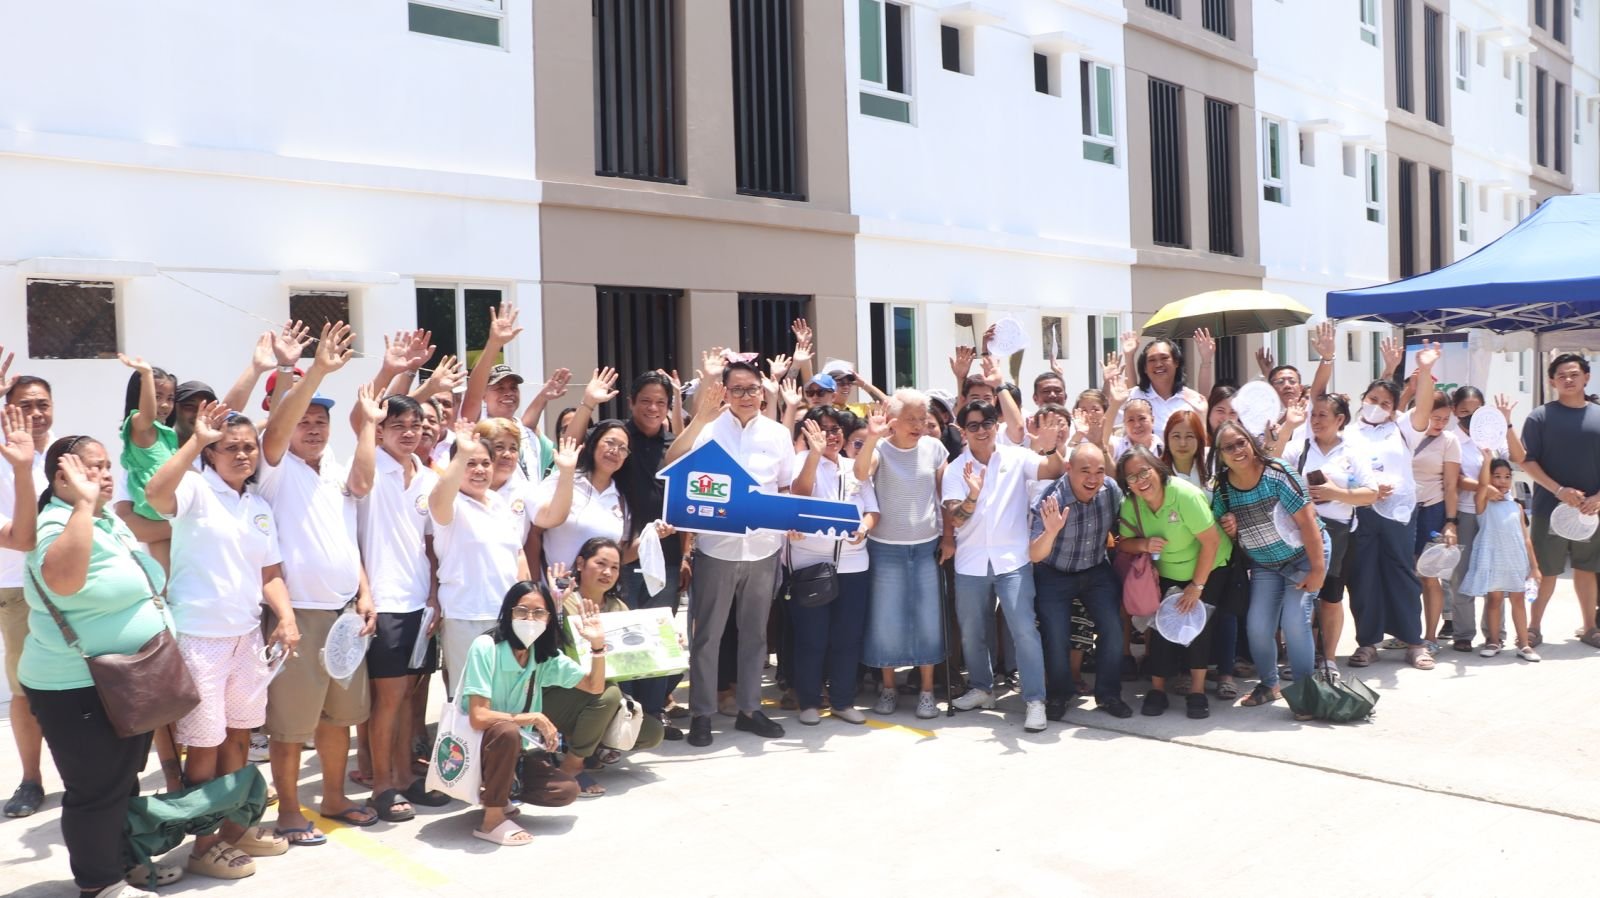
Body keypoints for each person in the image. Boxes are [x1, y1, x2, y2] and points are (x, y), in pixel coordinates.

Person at [20, 436, 185, 897]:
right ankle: (101, 885)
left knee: (121, 780)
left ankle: (122, 862)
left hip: (127, 677)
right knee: (95, 789)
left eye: (109, 465)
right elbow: (64, 583)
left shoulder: (105, 518)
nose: (106, 474)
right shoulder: (56, 522)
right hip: (75, 685)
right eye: (93, 468)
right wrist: (83, 506)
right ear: (62, 478)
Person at [145, 402, 298, 876]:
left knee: (239, 736)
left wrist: (286, 618)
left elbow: (269, 572)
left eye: (249, 447)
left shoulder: (257, 506)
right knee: (204, 746)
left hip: (246, 637)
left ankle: (234, 832)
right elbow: (153, 494)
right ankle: (203, 844)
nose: (242, 454)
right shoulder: (194, 489)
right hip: (200, 638)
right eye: (230, 447)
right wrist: (194, 439)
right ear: (211, 455)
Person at [254, 324, 383, 844]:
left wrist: (364, 593)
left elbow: (347, 537)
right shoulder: (275, 467)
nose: (313, 427)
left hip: (345, 613)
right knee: (289, 727)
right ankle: (289, 810)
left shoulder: (332, 467)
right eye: (304, 419)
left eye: (321, 421)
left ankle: (332, 798)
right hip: (299, 614)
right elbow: (276, 431)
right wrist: (314, 371)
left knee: (339, 718)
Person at [665, 353, 795, 745]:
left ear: (762, 392)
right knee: (708, 636)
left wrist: (788, 521)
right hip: (716, 549)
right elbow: (672, 461)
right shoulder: (706, 428)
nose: (745, 396)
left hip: (763, 549)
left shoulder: (777, 434)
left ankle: (750, 709)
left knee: (755, 635)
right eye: (736, 389)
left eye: (752, 389)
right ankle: (702, 713)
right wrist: (700, 418)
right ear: (724, 391)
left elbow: (785, 487)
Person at [942, 400, 1064, 733]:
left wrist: (1052, 446)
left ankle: (1035, 699)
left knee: (1023, 629)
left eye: (987, 423)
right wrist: (972, 495)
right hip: (970, 563)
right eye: (973, 426)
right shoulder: (956, 469)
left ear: (996, 425)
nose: (981, 430)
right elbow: (955, 518)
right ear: (963, 431)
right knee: (971, 632)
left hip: (1013, 560)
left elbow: (1053, 470)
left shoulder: (1017, 456)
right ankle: (982, 689)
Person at [459, 580, 601, 847]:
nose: (530, 619)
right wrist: (533, 718)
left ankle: (500, 795)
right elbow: (478, 716)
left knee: (566, 790)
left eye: (539, 613)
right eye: (522, 611)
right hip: (475, 749)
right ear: (508, 613)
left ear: (549, 618)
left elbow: (594, 686)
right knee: (506, 729)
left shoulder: (543, 655)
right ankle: (491, 820)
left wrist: (597, 647)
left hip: (513, 754)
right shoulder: (486, 647)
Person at [357, 394, 441, 824]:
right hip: (384, 604)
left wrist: (434, 596)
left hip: (419, 604)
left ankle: (407, 775)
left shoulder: (427, 478)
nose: (409, 432)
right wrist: (364, 592)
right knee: (387, 700)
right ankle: (382, 785)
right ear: (381, 429)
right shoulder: (369, 466)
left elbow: (430, 545)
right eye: (398, 425)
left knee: (410, 697)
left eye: (416, 424)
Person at [1212, 421, 1328, 715]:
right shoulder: (1222, 487)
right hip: (1266, 564)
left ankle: (1305, 691)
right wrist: (1229, 527)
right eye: (1229, 447)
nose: (1237, 450)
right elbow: (1218, 526)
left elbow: (1308, 522)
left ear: (1252, 442)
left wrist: (1317, 569)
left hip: (1304, 557)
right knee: (1258, 626)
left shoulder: (1277, 473)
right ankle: (1269, 684)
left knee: (1293, 621)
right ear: (1220, 455)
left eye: (1241, 442)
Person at [1344, 341, 1443, 670]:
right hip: (1360, 511)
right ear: (1363, 400)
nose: (1378, 406)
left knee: (1402, 573)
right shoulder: (1347, 432)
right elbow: (1340, 469)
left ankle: (1414, 642)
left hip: (1399, 512)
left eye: (1385, 403)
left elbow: (1424, 410)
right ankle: (1367, 643)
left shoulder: (1401, 429)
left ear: (1392, 407)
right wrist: (1363, 487)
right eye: (1373, 400)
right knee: (1363, 576)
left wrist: (1425, 371)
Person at [853, 388, 947, 721]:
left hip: (926, 547)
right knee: (886, 620)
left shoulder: (935, 448)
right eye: (911, 419)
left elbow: (944, 496)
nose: (919, 424)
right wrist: (871, 438)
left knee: (928, 620)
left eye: (923, 418)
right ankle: (888, 688)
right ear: (893, 421)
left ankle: (926, 692)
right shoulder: (880, 449)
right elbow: (860, 474)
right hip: (884, 548)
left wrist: (948, 537)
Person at [1114, 446, 1228, 719]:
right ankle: (1157, 690)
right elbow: (1124, 544)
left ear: (1157, 468)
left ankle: (1197, 691)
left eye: (1145, 471)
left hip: (1208, 565)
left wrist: (1196, 586)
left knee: (1196, 628)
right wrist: (1143, 543)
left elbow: (1211, 543)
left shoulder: (1184, 494)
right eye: (1132, 477)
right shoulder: (1131, 504)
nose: (1140, 480)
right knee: (1162, 629)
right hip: (1165, 570)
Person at [545, 541, 666, 795]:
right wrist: (555, 604)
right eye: (600, 563)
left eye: (614, 567)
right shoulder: (563, 600)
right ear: (580, 564)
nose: (607, 573)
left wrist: (664, 644)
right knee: (607, 693)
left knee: (652, 732)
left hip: (599, 696)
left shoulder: (618, 607)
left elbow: (631, 657)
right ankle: (571, 766)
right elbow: (543, 645)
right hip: (558, 695)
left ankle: (589, 747)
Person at [1029, 443, 1133, 720]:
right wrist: (1050, 532)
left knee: (1112, 627)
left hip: (1095, 568)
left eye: (1099, 471)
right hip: (1054, 572)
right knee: (1055, 634)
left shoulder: (1110, 490)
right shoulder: (1050, 498)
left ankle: (1109, 694)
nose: (1093, 478)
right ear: (1068, 469)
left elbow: (1127, 523)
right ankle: (1060, 694)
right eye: (1085, 471)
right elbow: (1035, 555)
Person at [789, 409, 877, 726]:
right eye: (822, 429)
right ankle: (809, 702)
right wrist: (813, 454)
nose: (830, 435)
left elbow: (872, 510)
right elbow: (799, 494)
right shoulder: (800, 461)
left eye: (835, 429)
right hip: (811, 562)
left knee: (847, 636)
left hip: (853, 563)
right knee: (812, 637)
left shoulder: (855, 467)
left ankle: (842, 700)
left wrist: (864, 528)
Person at [432, 421, 534, 691]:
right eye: (470, 463)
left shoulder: (499, 503)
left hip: (506, 617)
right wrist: (462, 452)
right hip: (466, 617)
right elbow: (438, 498)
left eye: (485, 463)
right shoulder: (450, 503)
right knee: (469, 700)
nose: (479, 470)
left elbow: (517, 555)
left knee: (506, 695)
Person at [1283, 394, 1378, 675]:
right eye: (1314, 415)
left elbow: (1370, 494)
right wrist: (1288, 427)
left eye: (1323, 415)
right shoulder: (1299, 448)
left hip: (1338, 533)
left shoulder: (1352, 451)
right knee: (1300, 595)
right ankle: (1302, 658)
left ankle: (1328, 659)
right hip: (1300, 531)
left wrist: (1334, 493)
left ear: (1340, 420)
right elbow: (1272, 463)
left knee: (1331, 597)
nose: (1316, 421)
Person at [1518, 353, 1600, 650]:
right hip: (1547, 510)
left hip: (1590, 512)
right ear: (1552, 381)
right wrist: (1559, 490)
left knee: (1586, 568)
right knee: (1546, 571)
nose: (1569, 379)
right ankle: (1532, 627)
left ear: (1586, 377)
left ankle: (1590, 628)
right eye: (1562, 375)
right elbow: (1527, 462)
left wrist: (1598, 499)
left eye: (1575, 374)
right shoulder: (1539, 416)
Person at [1, 368, 50, 819]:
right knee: (24, 691)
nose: (34, 413)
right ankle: (31, 780)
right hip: (17, 589)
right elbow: (18, 537)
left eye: (42, 404)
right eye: (23, 405)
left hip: (66, 585)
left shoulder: (60, 457)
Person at [1444, 389, 1526, 652]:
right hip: (1468, 512)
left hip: (1499, 513)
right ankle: (1463, 633)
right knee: (1463, 574)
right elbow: (1453, 478)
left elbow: (1519, 456)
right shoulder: (1451, 439)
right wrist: (1482, 488)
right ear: (1455, 410)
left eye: (1476, 410)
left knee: (1497, 573)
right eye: (1464, 411)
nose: (1469, 416)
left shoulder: (1495, 433)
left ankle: (1495, 634)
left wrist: (1507, 421)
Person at [1460, 451, 1542, 661]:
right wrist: (1487, 461)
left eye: (1507, 477)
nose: (1502, 481)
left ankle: (1524, 644)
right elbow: (1481, 487)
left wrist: (1534, 567)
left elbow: (1526, 539)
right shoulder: (1483, 503)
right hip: (1493, 558)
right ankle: (1493, 641)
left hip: (1516, 560)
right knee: (1494, 601)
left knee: (1518, 600)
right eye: (1496, 476)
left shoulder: (1516, 506)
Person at [533, 424, 626, 580]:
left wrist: (651, 537)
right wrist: (534, 581)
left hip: (595, 596)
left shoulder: (621, 498)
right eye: (610, 442)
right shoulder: (564, 477)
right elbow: (533, 533)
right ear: (594, 443)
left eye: (623, 448)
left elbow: (620, 552)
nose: (615, 451)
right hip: (553, 591)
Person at [1408, 389, 1461, 652]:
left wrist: (1450, 521)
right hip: (1401, 512)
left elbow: (1451, 485)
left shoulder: (1449, 441)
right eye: (1435, 417)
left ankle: (1430, 637)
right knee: (1404, 576)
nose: (1440, 424)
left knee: (1429, 574)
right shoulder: (1404, 434)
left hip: (1433, 510)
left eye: (1445, 419)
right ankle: (1407, 632)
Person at [115, 356, 178, 569]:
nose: (165, 404)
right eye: (157, 396)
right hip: (153, 510)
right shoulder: (138, 426)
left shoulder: (165, 434)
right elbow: (148, 415)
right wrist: (147, 374)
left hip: (165, 510)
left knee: (172, 572)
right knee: (166, 579)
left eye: (170, 397)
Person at [1119, 335, 1206, 435]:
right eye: (1152, 360)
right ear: (1145, 368)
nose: (1159, 364)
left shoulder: (1191, 399)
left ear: (1176, 362)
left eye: (1164, 358)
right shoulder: (1135, 395)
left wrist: (1206, 360)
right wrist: (1129, 356)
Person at [1162, 410, 1210, 496]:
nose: (1182, 444)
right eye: (1176, 436)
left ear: (1199, 439)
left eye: (1189, 436)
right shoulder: (1158, 475)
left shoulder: (1211, 462)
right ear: (1167, 439)